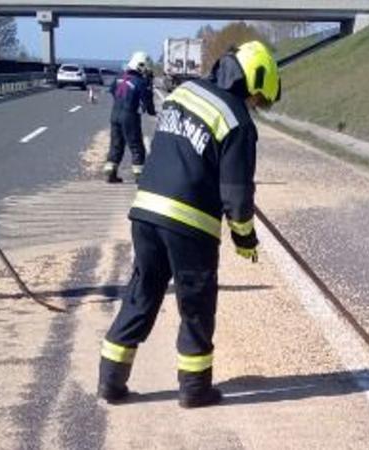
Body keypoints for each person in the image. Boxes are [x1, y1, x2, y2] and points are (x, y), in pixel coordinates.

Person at [97, 41, 281, 408]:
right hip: (189, 223)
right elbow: (236, 193)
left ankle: (110, 382)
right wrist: (244, 238)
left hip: (146, 212)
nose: (255, 107)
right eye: (259, 99)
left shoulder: (185, 92)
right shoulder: (237, 121)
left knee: (141, 294)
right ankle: (195, 389)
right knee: (196, 304)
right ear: (253, 83)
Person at [103, 51, 156, 183]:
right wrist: (151, 111)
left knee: (116, 144)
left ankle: (111, 171)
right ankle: (139, 176)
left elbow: (114, 92)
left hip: (115, 115)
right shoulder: (140, 82)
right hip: (130, 116)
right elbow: (148, 102)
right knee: (136, 145)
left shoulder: (119, 78)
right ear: (140, 65)